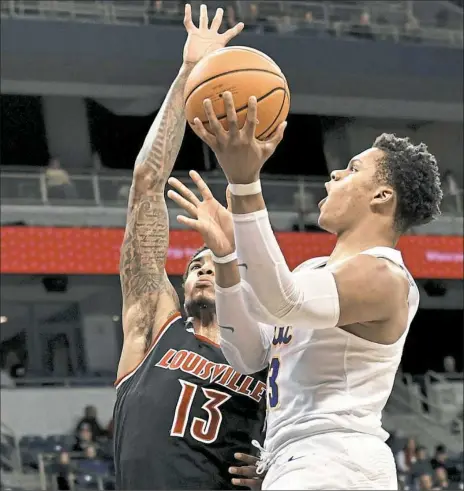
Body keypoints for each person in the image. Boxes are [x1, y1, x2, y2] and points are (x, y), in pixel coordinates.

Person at [176, 92, 442, 489]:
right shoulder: (313, 272)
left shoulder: (385, 276)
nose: (334, 175)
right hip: (299, 458)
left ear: (382, 196)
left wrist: (245, 183)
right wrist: (227, 259)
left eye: (352, 169)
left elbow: (282, 302)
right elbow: (247, 354)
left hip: (336, 459)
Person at [112, 5, 269, 490]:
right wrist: (187, 74)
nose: (201, 268)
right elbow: (147, 181)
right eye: (193, 264)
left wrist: (276, 471)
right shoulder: (154, 325)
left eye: (213, 262)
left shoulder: (266, 357)